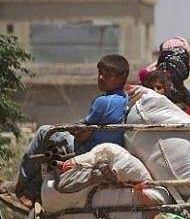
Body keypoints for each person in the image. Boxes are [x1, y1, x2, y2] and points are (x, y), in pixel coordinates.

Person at [15, 55, 130, 208]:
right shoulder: (123, 98)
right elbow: (87, 125)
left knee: (44, 132)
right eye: (100, 73)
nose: (101, 78)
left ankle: (21, 185)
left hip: (88, 151)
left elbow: (81, 137)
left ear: (122, 78)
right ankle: (32, 191)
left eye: (107, 75)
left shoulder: (104, 102)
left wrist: (71, 130)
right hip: (103, 150)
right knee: (52, 148)